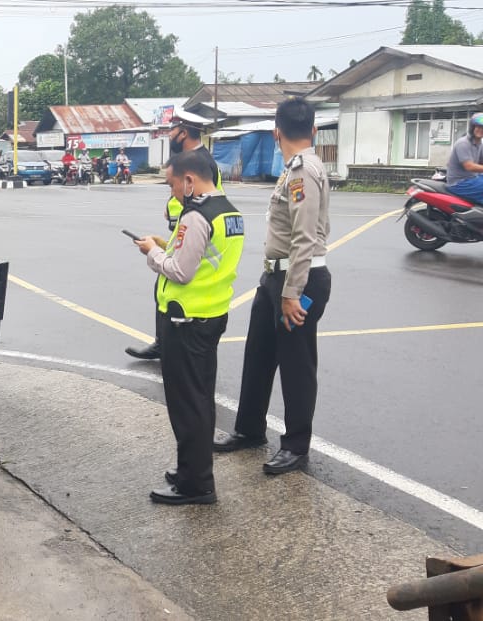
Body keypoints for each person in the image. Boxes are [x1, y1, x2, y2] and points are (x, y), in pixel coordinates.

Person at [216, 97, 331, 475]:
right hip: (276, 276)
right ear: (313, 130)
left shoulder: (302, 171)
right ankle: (249, 430)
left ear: (277, 132)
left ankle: (296, 447)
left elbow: (303, 238)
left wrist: (290, 293)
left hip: (297, 279)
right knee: (259, 354)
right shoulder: (293, 168)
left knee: (296, 365)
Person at [134, 150, 244, 505]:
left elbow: (180, 271)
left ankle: (195, 484)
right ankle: (192, 469)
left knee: (187, 405)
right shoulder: (229, 212)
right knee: (200, 400)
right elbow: (206, 258)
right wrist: (168, 245)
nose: (173, 193)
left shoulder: (196, 216)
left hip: (185, 320)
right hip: (209, 316)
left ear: (189, 180)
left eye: (172, 185)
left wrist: (153, 252)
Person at [126, 110, 222, 360]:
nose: (170, 135)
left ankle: (166, 342)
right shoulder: (191, 158)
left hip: (196, 233)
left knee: (171, 281)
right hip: (185, 229)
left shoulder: (202, 162)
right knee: (162, 286)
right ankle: (163, 341)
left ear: (184, 132)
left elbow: (208, 201)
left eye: (173, 130)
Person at [445, 113, 483, 203]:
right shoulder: (463, 143)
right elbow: (469, 166)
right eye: (478, 127)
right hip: (459, 183)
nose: (481, 130)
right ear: (472, 128)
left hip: (471, 179)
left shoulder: (479, 144)